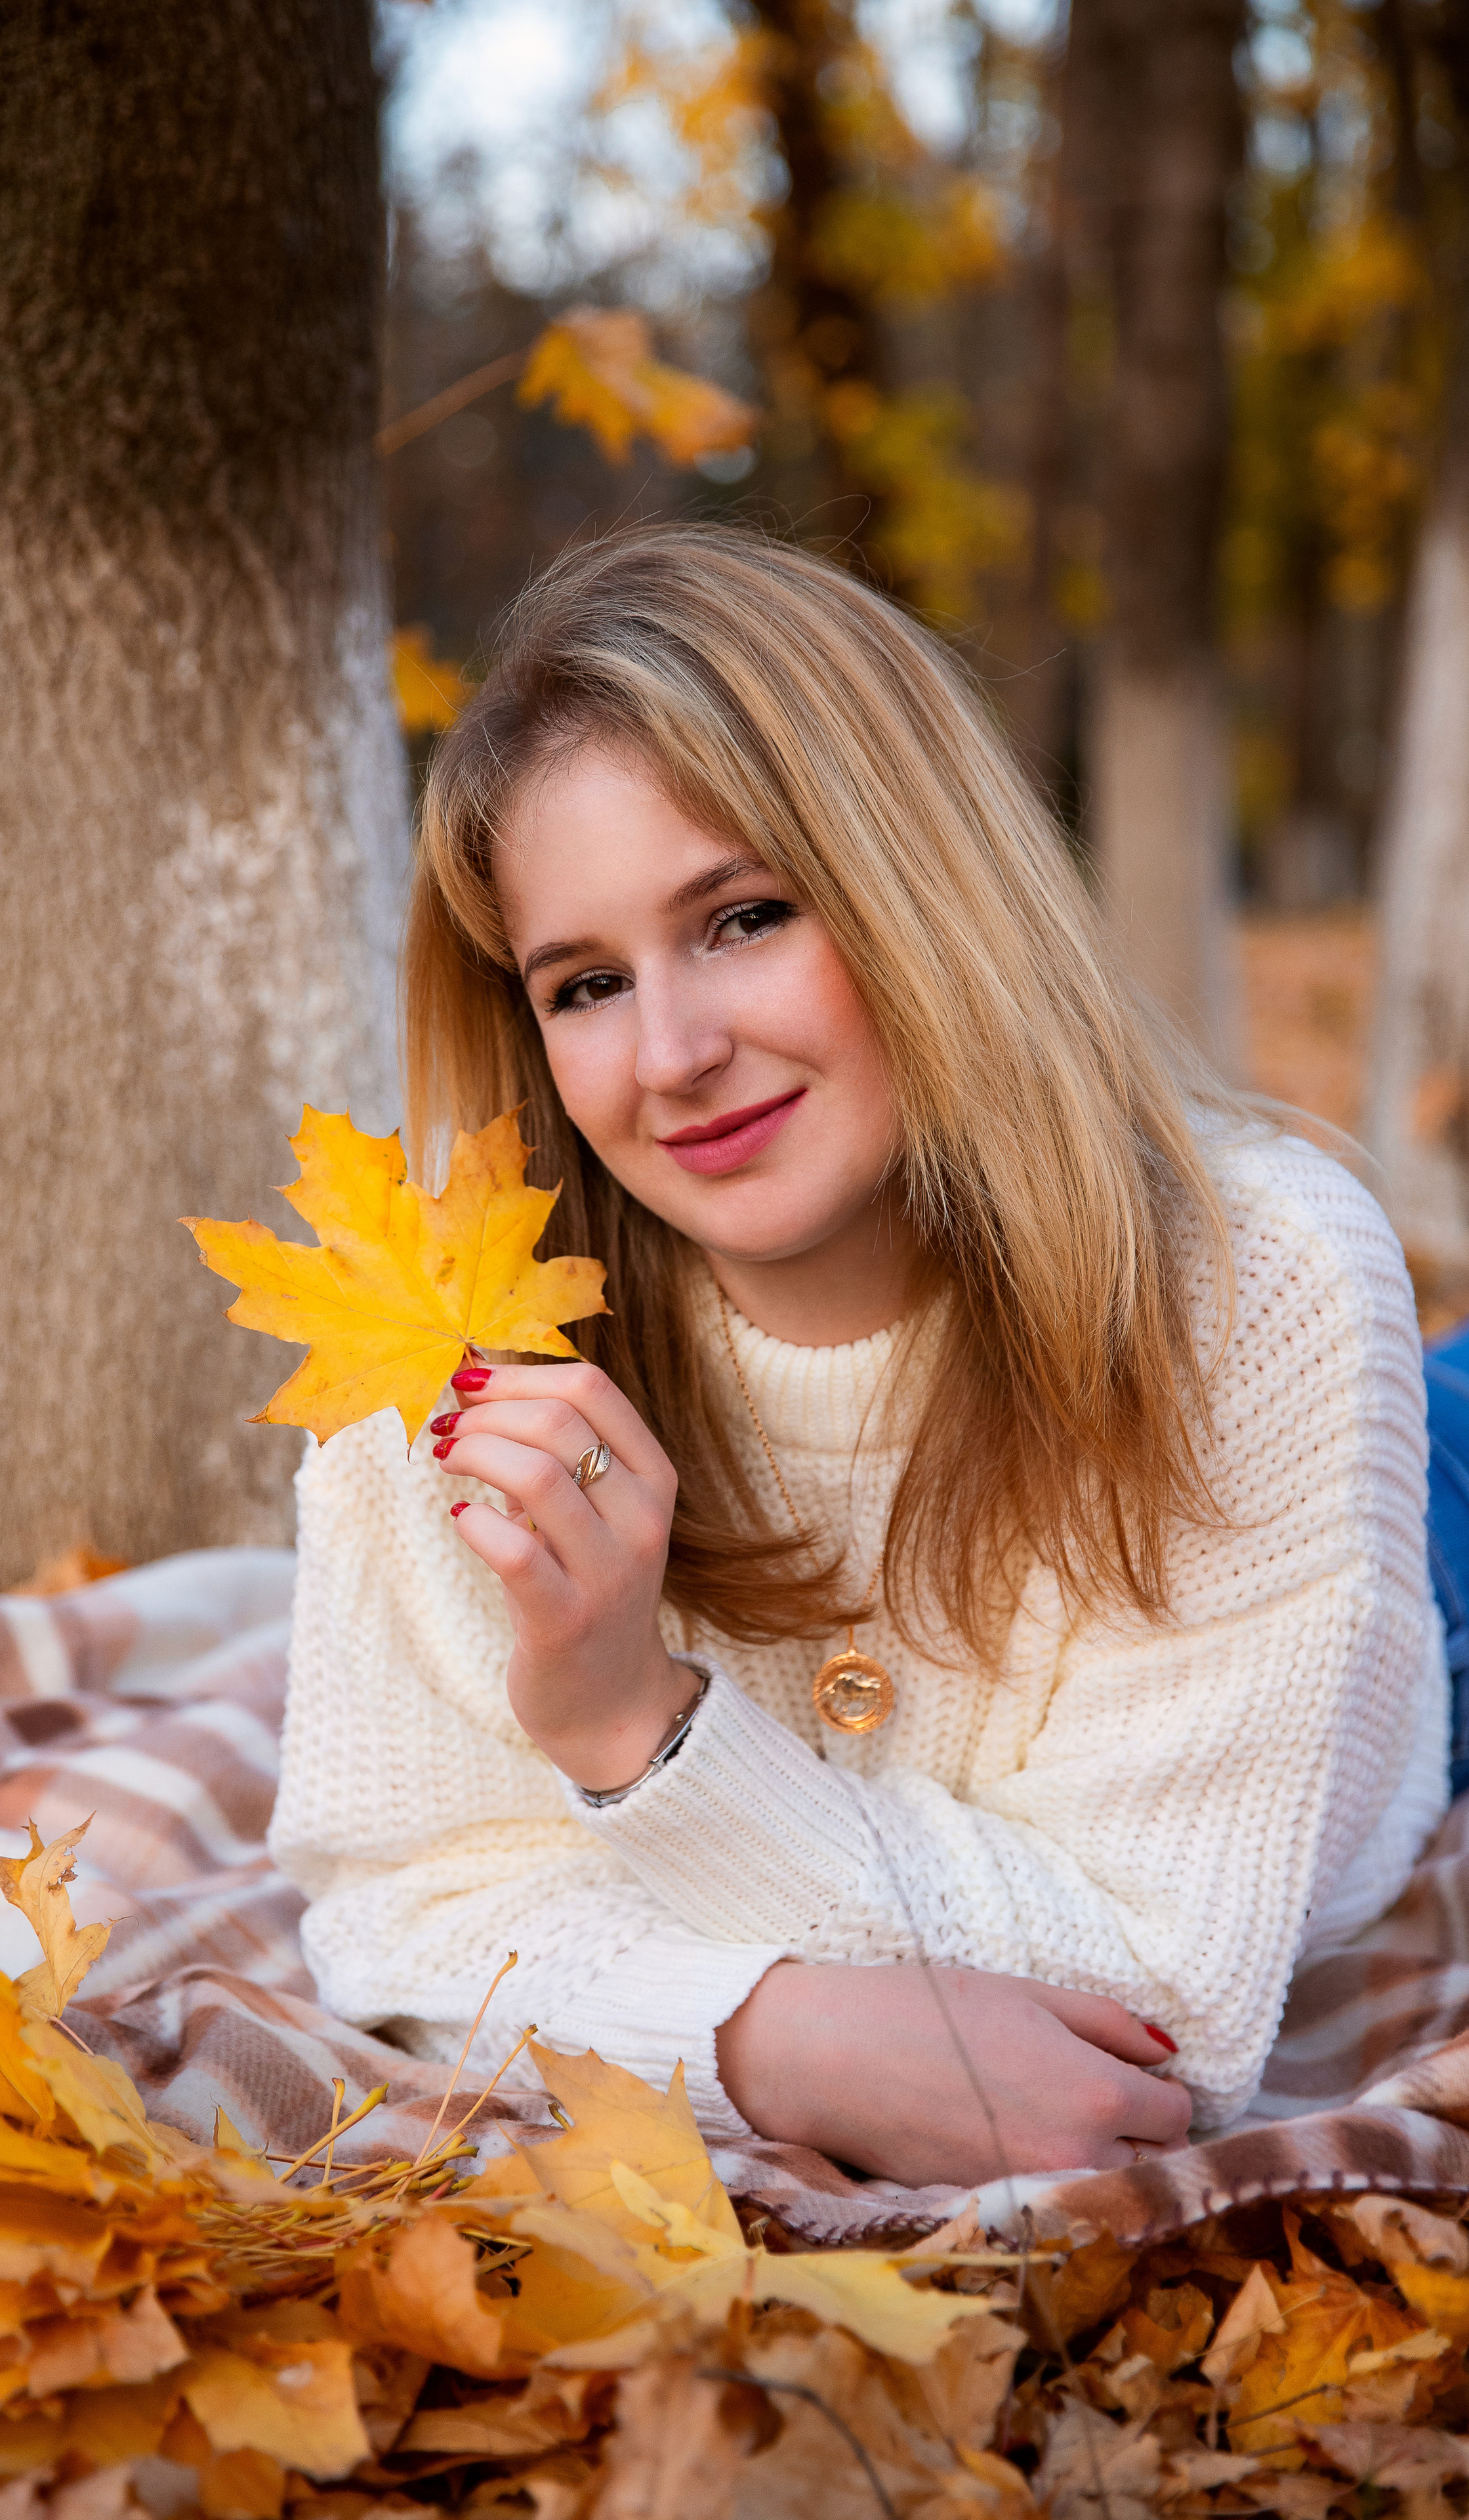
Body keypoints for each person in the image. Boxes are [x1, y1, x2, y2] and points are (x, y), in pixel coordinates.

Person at [269, 526, 1449, 2188]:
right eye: (587, 981)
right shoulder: (459, 1346)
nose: (673, 1055)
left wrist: (638, 1736)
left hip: (1397, 1572)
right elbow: (404, 1900)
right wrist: (764, 2037)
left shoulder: (1259, 1286)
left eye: (744, 917)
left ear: (917, 888)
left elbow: (1158, 2005)